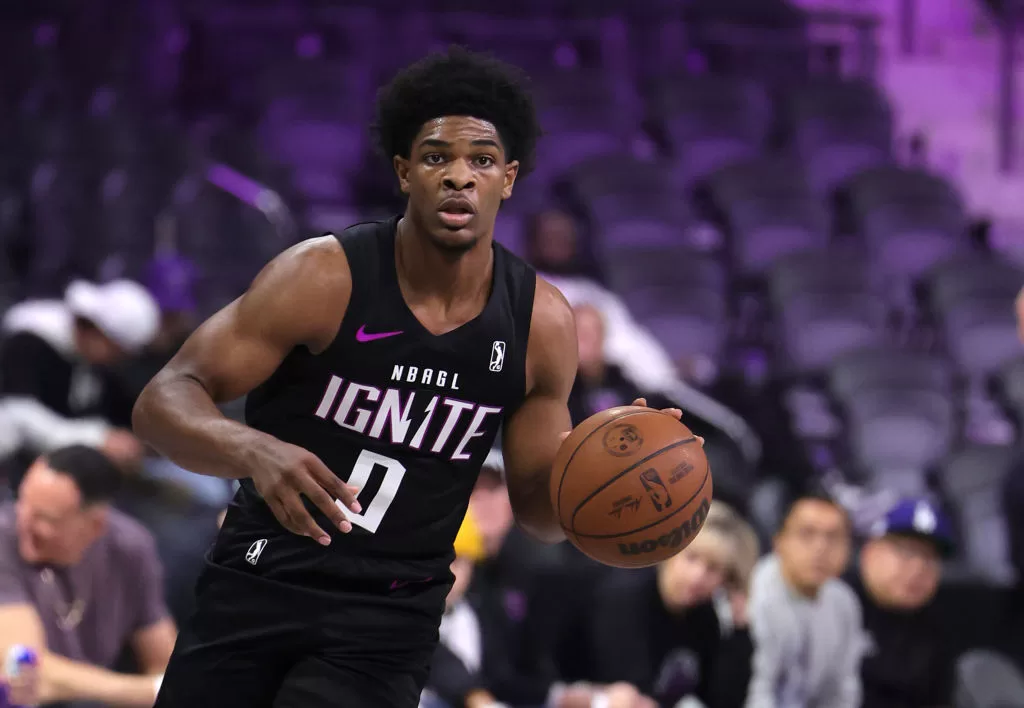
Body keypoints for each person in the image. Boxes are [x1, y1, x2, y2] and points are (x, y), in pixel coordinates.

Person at [132, 47, 685, 708]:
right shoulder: (324, 276)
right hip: (259, 583)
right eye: (435, 157)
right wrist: (252, 449)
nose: (459, 177)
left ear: (508, 179)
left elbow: (540, 512)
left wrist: (607, 465)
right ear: (403, 172)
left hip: (387, 619)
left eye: (480, 160)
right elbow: (162, 400)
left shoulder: (540, 323)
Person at [0, 445, 176, 707]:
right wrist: (147, 691)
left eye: (45, 517)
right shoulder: (4, 536)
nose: (24, 520)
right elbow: (27, 671)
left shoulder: (129, 547)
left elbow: (164, 660)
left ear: (94, 524)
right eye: (23, 502)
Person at [587, 503, 758, 708]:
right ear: (669, 550)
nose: (698, 577)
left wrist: (739, 629)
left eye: (713, 569)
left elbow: (722, 699)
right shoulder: (627, 597)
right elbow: (631, 691)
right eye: (691, 558)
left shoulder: (704, 618)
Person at [0, 278, 160, 475]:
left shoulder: (89, 361)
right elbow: (20, 416)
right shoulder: (30, 343)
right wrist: (98, 439)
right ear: (96, 332)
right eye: (117, 351)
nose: (117, 360)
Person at [745, 492, 865, 708]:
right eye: (807, 534)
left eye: (833, 537)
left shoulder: (844, 602)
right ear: (778, 541)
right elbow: (755, 693)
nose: (821, 548)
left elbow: (842, 691)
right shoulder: (753, 594)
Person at [851, 498, 956, 708]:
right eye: (906, 551)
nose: (918, 569)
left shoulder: (936, 633)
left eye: (929, 557)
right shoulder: (831, 607)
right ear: (869, 554)